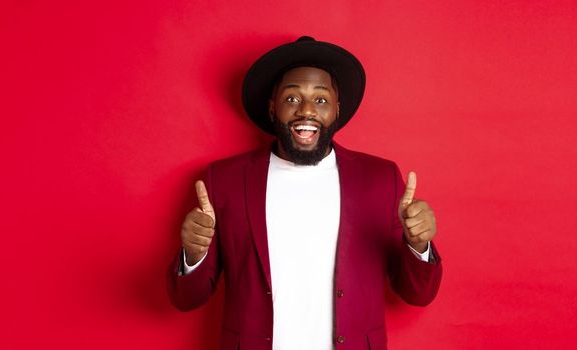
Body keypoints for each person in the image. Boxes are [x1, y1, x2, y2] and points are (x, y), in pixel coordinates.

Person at [167, 36, 443, 350]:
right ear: (273, 108)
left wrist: (418, 245)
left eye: (321, 100)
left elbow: (417, 294)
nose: (307, 110)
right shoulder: (224, 180)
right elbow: (186, 299)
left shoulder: (380, 179)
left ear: (337, 110)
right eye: (292, 98)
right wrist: (193, 255)